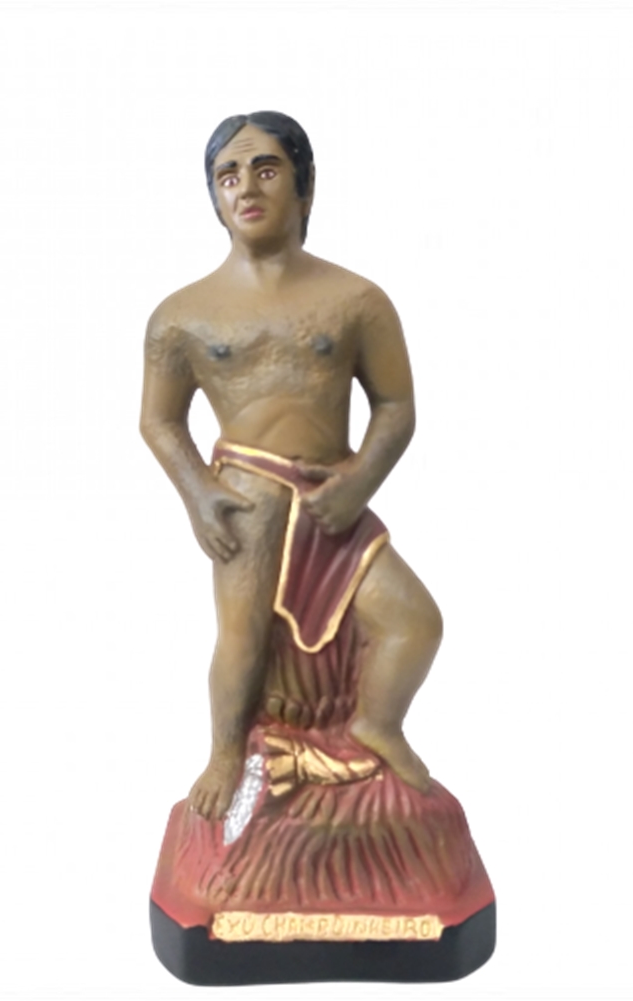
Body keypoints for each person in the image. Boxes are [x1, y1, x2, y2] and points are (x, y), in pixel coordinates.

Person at [140, 111, 442, 821]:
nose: (246, 187)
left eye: (266, 169)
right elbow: (159, 420)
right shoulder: (181, 316)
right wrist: (198, 495)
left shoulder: (357, 300)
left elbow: (396, 406)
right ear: (213, 198)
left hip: (333, 497)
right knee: (241, 641)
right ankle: (224, 753)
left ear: (305, 188)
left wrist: (359, 482)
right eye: (228, 175)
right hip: (244, 500)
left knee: (414, 622)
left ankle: (377, 723)